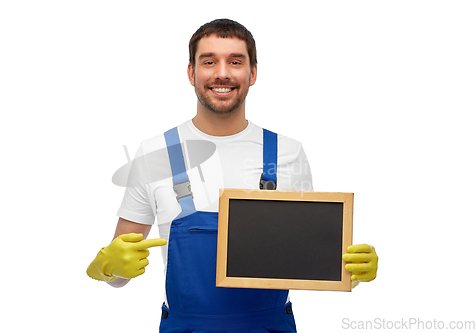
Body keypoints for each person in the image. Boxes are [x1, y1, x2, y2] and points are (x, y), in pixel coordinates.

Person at [87, 18, 378, 332]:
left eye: (235, 62)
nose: (222, 73)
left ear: (252, 73)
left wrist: (351, 271)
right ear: (191, 72)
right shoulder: (154, 154)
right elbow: (118, 276)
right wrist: (106, 266)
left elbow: (303, 260)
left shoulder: (287, 153)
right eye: (209, 61)